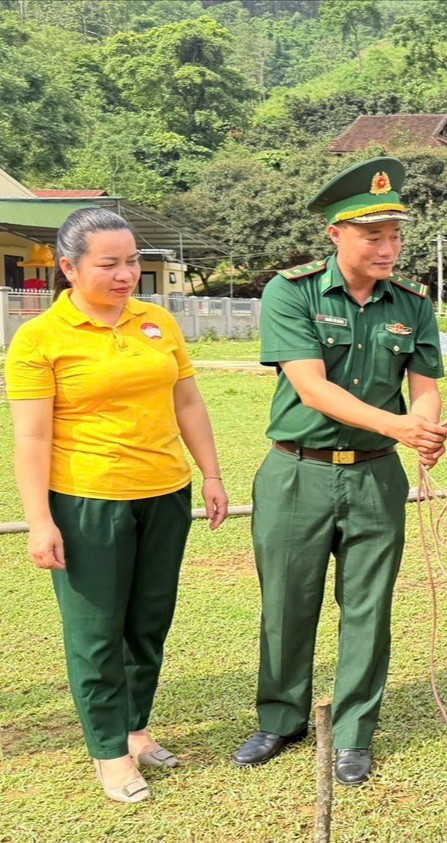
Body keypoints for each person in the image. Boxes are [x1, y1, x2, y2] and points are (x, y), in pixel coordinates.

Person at [232, 156, 447, 787]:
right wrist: (400, 424)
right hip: (297, 473)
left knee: (368, 606)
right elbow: (313, 389)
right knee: (287, 603)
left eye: (395, 234)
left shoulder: (412, 304)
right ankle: (281, 717)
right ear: (335, 235)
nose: (389, 247)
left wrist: (426, 427)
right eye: (372, 235)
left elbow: (424, 384)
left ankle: (354, 733)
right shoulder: (290, 291)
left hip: (378, 478)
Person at [6, 208, 228, 803]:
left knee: (148, 622)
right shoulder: (39, 339)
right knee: (97, 632)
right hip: (86, 502)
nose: (127, 273)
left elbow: (187, 401)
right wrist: (40, 520)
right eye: (110, 264)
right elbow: (31, 437)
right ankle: (108, 752)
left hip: (164, 493)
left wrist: (210, 472)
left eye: (131, 260)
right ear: (69, 268)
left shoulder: (157, 321)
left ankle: (134, 730)